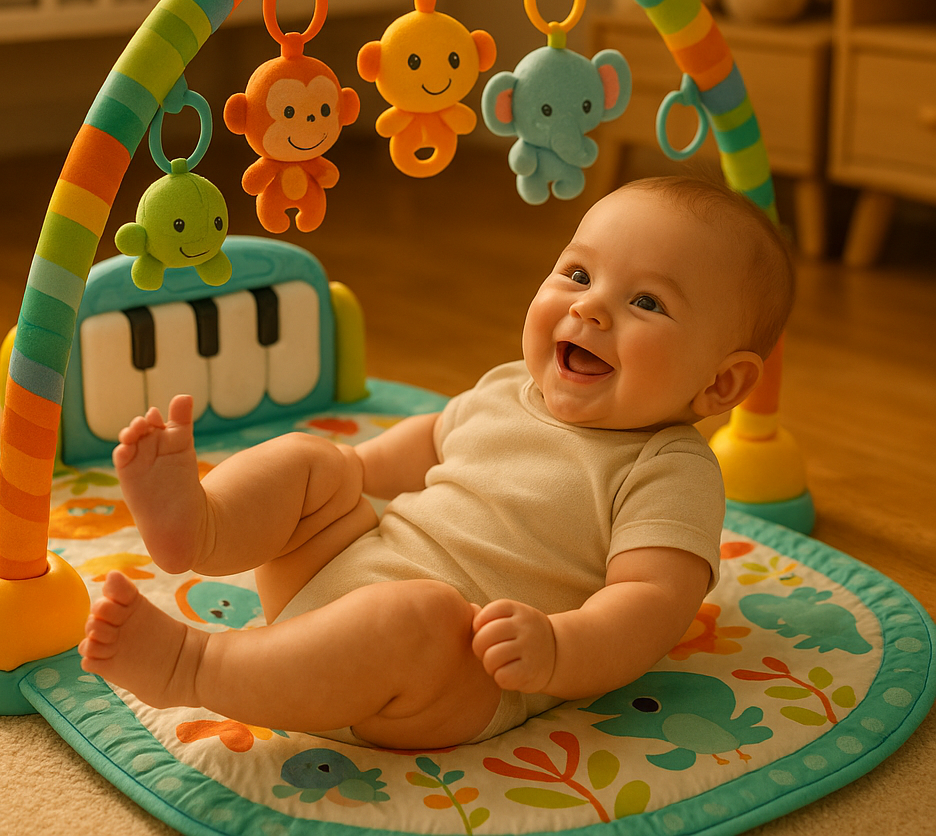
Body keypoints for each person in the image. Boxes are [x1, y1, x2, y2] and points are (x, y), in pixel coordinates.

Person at [79, 174, 795, 750]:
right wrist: (337, 480)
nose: (592, 310)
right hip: (329, 582)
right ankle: (197, 526)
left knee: (415, 614)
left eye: (646, 301)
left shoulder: (669, 468)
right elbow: (426, 443)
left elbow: (650, 606)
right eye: (577, 274)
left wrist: (557, 648)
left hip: (447, 677)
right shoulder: (509, 384)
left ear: (722, 383)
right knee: (314, 460)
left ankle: (196, 667)